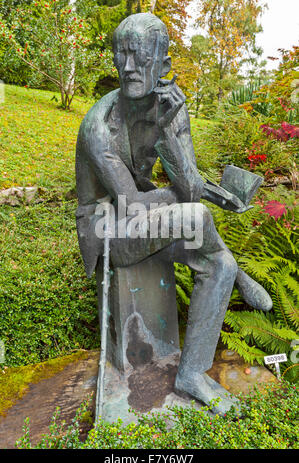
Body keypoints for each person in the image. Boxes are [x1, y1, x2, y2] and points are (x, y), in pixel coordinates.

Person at [76, 13, 272, 414]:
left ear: (163, 66)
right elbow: (132, 202)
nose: (128, 67)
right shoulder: (99, 126)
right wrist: (176, 196)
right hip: (107, 228)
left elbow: (189, 188)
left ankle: (192, 372)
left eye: (140, 57)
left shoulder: (171, 107)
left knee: (218, 262)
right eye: (122, 56)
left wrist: (169, 134)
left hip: (146, 222)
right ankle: (241, 278)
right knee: (197, 218)